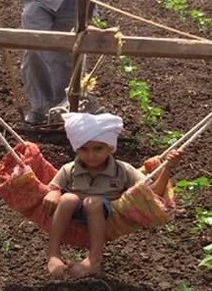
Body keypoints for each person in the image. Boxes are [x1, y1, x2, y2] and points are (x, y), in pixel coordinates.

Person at [43, 112, 183, 281]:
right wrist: (54, 192)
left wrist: (167, 168)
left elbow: (151, 194)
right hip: (74, 212)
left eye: (98, 149)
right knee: (67, 199)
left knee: (93, 202)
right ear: (76, 148)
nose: (91, 155)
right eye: (84, 149)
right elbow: (54, 187)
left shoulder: (122, 170)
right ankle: (53, 253)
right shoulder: (69, 169)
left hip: (108, 215)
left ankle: (94, 260)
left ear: (110, 147)